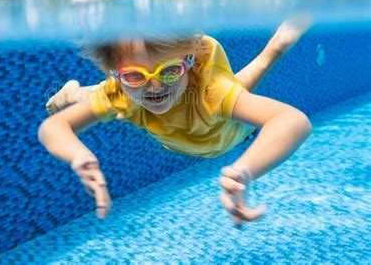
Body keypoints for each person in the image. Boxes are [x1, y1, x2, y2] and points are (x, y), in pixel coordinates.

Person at [38, 20, 312, 227]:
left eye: (169, 71)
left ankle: (277, 46)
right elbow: (52, 128)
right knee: (122, 103)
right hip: (157, 111)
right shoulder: (123, 92)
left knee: (231, 95)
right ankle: (75, 93)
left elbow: (293, 120)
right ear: (115, 74)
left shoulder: (210, 92)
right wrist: (78, 156)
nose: (155, 86)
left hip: (226, 131)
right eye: (134, 75)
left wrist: (244, 171)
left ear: (189, 63)